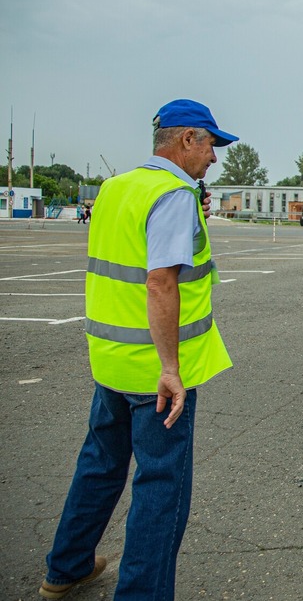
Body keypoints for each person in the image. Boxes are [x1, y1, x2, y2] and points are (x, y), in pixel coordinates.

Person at [40, 99, 237, 600]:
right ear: (187, 140)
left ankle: (66, 568)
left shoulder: (117, 188)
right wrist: (171, 368)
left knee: (100, 464)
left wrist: (193, 210)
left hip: (110, 360)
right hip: (156, 372)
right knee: (160, 485)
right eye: (212, 144)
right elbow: (159, 281)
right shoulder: (171, 194)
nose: (214, 157)